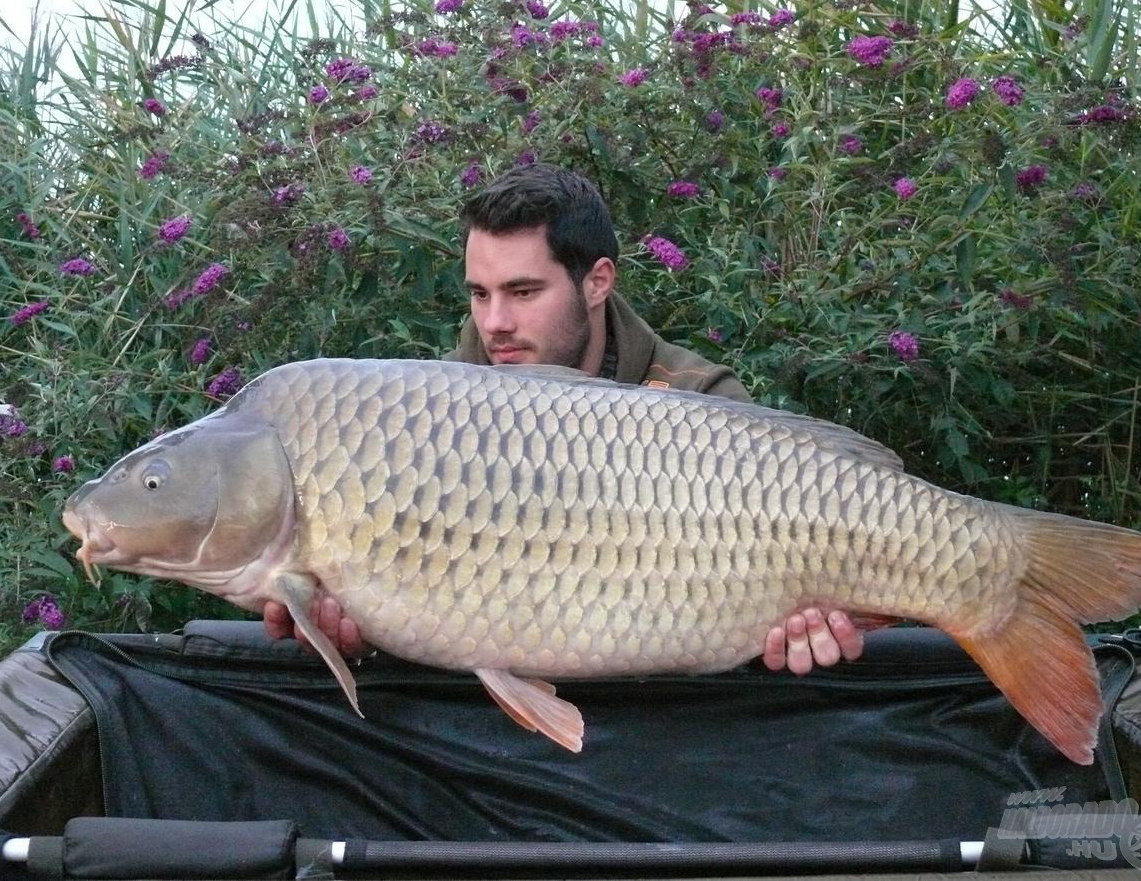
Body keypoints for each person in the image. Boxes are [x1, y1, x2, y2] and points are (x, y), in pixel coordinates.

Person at [263, 162, 864, 675]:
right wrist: (362, 631)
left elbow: (779, 576)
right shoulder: (423, 421)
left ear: (597, 282)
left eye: (523, 292)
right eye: (479, 293)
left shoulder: (697, 398)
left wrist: (810, 624)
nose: (494, 322)